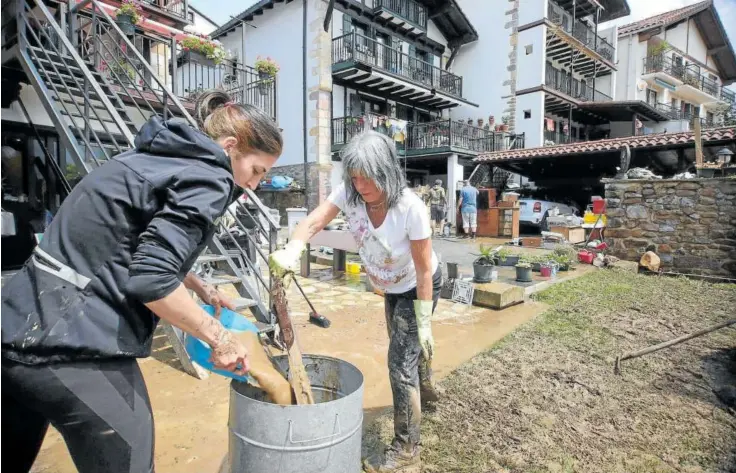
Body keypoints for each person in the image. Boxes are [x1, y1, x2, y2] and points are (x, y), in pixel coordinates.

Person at [1, 90, 283, 473]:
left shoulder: (154, 157)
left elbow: (129, 238)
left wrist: (198, 285)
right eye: (256, 171)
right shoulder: (210, 176)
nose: (254, 185)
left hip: (14, 326)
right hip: (69, 345)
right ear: (231, 147)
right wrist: (220, 337)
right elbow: (151, 280)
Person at [269, 131, 442, 472]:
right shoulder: (349, 193)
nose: (361, 186)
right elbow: (315, 220)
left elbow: (423, 271)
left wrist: (425, 322)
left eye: (368, 179)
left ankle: (408, 451)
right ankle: (427, 386)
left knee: (399, 363)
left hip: (417, 286)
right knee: (405, 349)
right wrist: (294, 249)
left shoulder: (411, 208)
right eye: (355, 178)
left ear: (388, 172)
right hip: (391, 289)